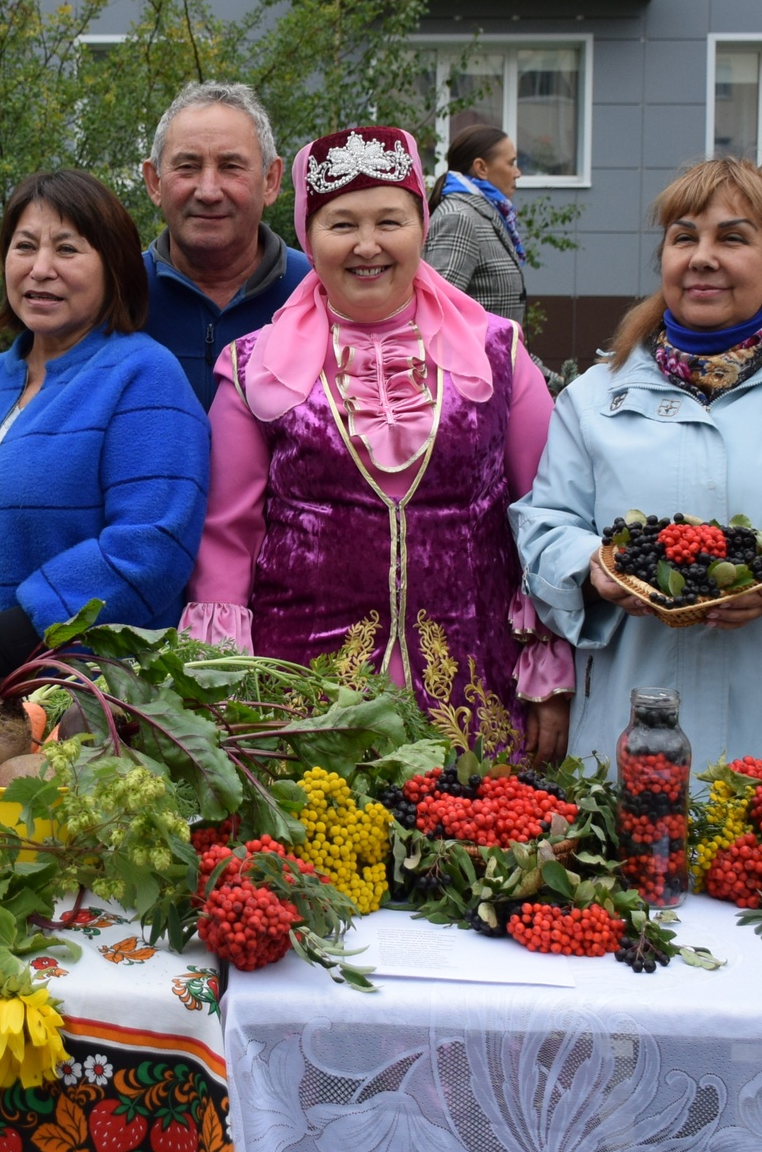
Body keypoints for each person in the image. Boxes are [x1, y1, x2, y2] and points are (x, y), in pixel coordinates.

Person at [511, 158, 762, 768]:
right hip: (631, 741)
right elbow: (545, 530)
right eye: (684, 238)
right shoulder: (595, 398)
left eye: (732, 237)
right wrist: (595, 569)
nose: (702, 257)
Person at [185, 126, 572, 759]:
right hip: (304, 710)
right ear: (309, 239)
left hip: (479, 698)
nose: (368, 245)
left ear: (423, 226)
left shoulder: (499, 353)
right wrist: (226, 688)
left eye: (389, 220)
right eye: (341, 225)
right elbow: (227, 541)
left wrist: (548, 670)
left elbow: (545, 518)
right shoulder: (252, 368)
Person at [0, 170, 210, 680]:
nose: (40, 269)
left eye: (67, 249)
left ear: (113, 267)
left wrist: (13, 633)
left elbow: (152, 543)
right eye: (25, 246)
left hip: (94, 693)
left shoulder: (144, 377)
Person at [138, 82, 312, 407]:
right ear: (154, 181)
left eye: (231, 167)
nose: (208, 191)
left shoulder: (315, 294)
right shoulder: (117, 296)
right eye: (187, 167)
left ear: (271, 181)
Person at [425, 116, 530, 319]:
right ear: (481, 168)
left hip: (496, 351)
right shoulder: (459, 218)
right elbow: (440, 312)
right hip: (478, 351)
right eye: (511, 163)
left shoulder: (485, 213)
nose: (518, 173)